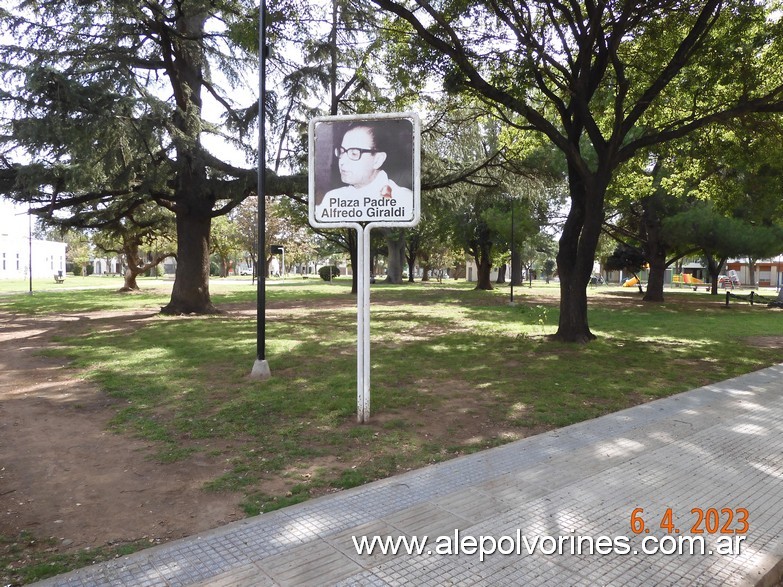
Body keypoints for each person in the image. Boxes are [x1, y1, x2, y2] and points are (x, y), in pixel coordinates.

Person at [316, 123, 413, 223]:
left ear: (377, 160)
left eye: (354, 153)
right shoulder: (332, 198)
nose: (342, 161)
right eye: (341, 151)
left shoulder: (404, 200)